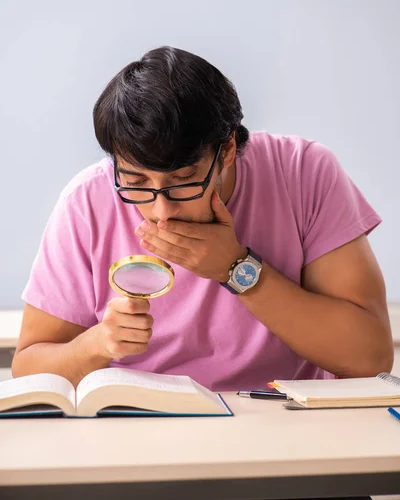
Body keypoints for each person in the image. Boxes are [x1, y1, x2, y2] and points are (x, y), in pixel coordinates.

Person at [12, 46, 393, 392]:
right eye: (136, 182)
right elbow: (28, 368)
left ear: (226, 150)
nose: (161, 212)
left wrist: (236, 268)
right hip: (138, 432)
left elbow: (370, 359)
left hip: (284, 426)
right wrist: (95, 345)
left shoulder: (303, 172)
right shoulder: (87, 201)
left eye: (182, 181)